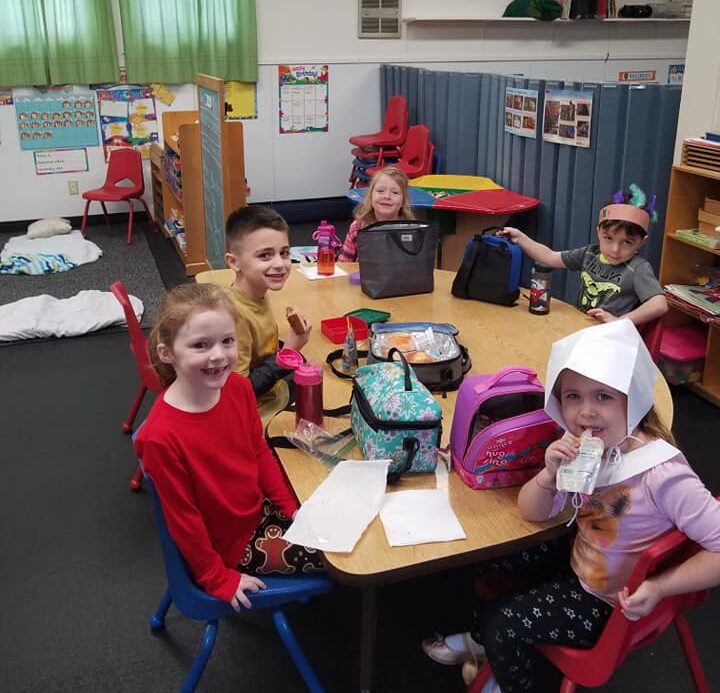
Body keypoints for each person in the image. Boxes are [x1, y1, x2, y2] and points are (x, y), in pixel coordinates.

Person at [422, 320, 720, 692]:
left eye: (603, 397)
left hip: (607, 605)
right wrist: (548, 475)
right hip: (582, 561)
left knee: (504, 623)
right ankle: (483, 643)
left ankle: (503, 668)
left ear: (634, 399)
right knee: (488, 559)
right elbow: (532, 511)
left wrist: (660, 587)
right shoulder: (587, 449)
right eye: (573, 396)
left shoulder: (661, 474)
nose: (585, 413)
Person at [134, 283, 323, 610]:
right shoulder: (160, 437)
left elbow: (259, 453)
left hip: (258, 509)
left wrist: (291, 508)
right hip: (231, 545)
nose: (219, 355)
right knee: (339, 553)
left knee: (331, 515)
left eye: (227, 341)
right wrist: (217, 577)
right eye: (200, 345)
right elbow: (184, 520)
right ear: (168, 354)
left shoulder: (237, 388)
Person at [497, 185, 668, 326]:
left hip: (608, 340)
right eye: (608, 238)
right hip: (579, 328)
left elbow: (659, 304)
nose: (615, 249)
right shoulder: (590, 254)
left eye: (627, 242)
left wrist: (619, 321)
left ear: (641, 242)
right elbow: (550, 257)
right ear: (598, 232)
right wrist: (519, 237)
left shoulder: (638, 268)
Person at [224, 205, 311, 420]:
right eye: (265, 255)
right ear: (234, 263)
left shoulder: (255, 292)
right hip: (254, 415)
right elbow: (238, 393)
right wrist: (289, 350)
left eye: (284, 253)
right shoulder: (234, 315)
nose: (280, 264)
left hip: (270, 389)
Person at [338, 165, 415, 262]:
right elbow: (344, 263)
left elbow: (414, 267)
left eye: (395, 192)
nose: (387, 196)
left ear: (403, 201)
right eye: (380, 191)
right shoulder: (358, 227)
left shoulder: (411, 230)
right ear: (370, 196)